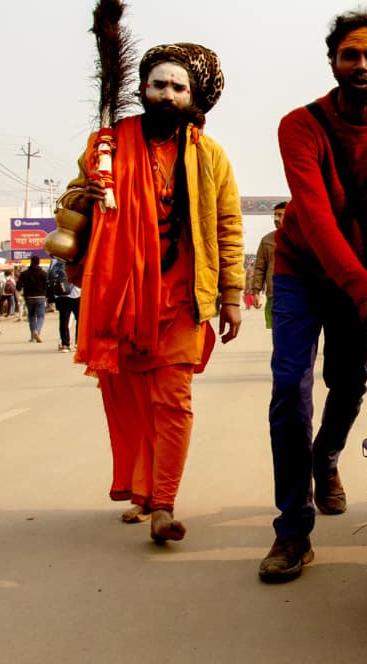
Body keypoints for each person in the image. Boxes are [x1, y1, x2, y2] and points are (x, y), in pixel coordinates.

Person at [261, 8, 367, 583]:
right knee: (290, 388)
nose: (360, 64)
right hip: (304, 271)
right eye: (349, 54)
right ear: (333, 60)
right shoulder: (299, 125)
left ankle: (326, 455)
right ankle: (292, 529)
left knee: (351, 383)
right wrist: (363, 291)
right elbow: (313, 217)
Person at [58, 41, 244, 542]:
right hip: (121, 296)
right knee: (133, 398)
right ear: (142, 88)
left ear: (193, 95)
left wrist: (231, 295)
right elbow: (71, 202)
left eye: (177, 87)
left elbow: (228, 226)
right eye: (158, 84)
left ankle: (163, 502)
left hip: (183, 298)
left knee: (173, 400)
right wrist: (86, 194)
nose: (166, 93)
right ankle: (142, 491)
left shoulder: (209, 155)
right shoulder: (107, 145)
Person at [248, 201, 285, 329]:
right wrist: (256, 292)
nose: (276, 219)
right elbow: (259, 268)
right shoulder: (267, 241)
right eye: (274, 215)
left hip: (299, 297)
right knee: (277, 334)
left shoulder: (302, 238)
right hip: (273, 295)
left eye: (280, 215)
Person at [48, 259, 81, 351]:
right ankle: (78, 343)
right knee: (80, 319)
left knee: (63, 320)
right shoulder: (74, 257)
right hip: (76, 294)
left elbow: (49, 279)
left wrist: (51, 296)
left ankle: (65, 344)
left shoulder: (54, 261)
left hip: (60, 295)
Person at [17, 256, 49, 342]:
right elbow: (47, 286)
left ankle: (32, 337)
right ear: (38, 262)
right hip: (40, 297)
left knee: (31, 316)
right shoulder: (44, 273)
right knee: (40, 316)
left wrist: (20, 293)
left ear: (30, 262)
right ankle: (37, 331)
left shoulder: (24, 274)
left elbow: (18, 286)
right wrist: (47, 296)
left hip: (28, 298)